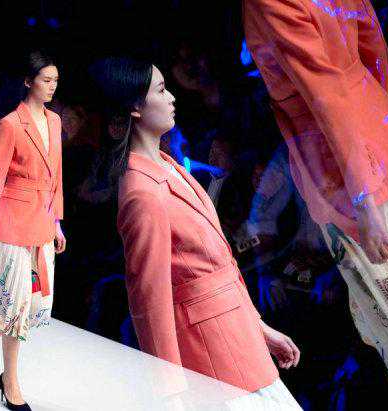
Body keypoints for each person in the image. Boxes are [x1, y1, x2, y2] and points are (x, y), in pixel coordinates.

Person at [244, 1, 388, 409]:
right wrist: (383, 134)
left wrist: (362, 195)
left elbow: (324, 94)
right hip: (385, 149)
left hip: (345, 180)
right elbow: (373, 46)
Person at [90, 57, 302, 409]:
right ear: (136, 108)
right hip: (213, 356)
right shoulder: (142, 193)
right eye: (161, 90)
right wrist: (169, 388)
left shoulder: (168, 166)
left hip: (238, 340)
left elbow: (220, 266)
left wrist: (258, 328)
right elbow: (149, 298)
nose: (172, 97)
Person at [0, 51, 66, 411]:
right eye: (46, 80)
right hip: (11, 223)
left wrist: (57, 222)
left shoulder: (55, 121)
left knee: (32, 305)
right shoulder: (10, 124)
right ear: (28, 81)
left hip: (41, 223)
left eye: (55, 80)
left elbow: (56, 176)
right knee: (18, 308)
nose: (52, 86)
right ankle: (10, 384)